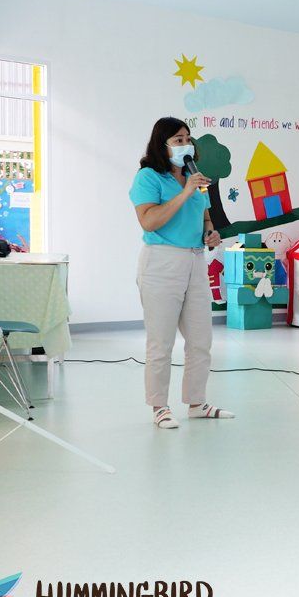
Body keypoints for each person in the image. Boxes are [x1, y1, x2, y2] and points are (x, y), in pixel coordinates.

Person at [130, 117, 232, 429]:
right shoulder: (148, 177)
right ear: (162, 144)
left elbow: (204, 215)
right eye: (177, 139)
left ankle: (197, 402)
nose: (185, 144)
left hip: (195, 260)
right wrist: (185, 191)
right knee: (161, 341)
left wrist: (210, 232)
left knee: (201, 338)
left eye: (188, 138)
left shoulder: (193, 176)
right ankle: (159, 406)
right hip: (161, 263)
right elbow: (149, 221)